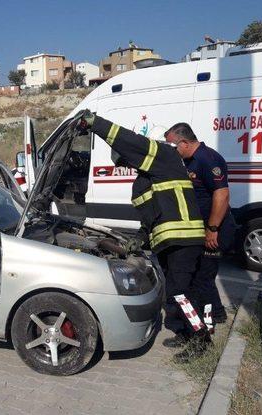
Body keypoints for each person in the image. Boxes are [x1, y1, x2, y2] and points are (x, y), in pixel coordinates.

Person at [79, 111, 208, 346]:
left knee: (180, 293)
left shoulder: (164, 156)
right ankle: (187, 332)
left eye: (126, 161)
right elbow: (151, 218)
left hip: (184, 240)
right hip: (171, 243)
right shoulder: (146, 180)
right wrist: (139, 239)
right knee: (179, 291)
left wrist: (96, 124)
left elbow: (129, 141)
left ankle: (200, 338)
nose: (127, 166)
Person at [164, 123, 235, 323]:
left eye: (173, 146)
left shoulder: (207, 159)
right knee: (202, 276)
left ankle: (207, 323)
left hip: (215, 230)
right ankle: (217, 314)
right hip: (202, 229)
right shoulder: (188, 161)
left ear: (184, 143)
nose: (172, 151)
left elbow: (222, 194)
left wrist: (212, 229)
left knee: (202, 278)